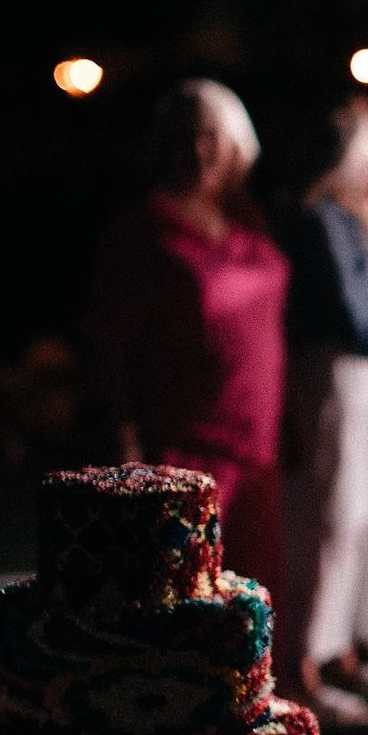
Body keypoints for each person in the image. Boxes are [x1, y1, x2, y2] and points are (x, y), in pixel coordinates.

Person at [83, 78, 289, 601]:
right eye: (184, 137)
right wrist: (123, 433)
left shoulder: (248, 219)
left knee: (256, 589)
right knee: (188, 590)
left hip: (257, 438)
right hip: (184, 443)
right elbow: (108, 339)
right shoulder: (145, 229)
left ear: (237, 145)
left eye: (210, 136)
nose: (198, 151)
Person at [279, 94, 368, 725]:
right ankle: (304, 664)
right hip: (339, 374)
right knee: (335, 516)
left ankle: (347, 652)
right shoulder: (320, 217)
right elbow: (354, 314)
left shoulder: (358, 217)